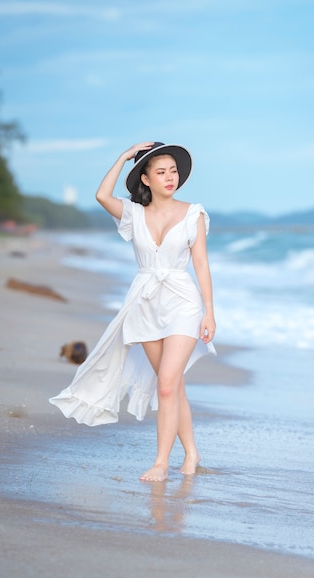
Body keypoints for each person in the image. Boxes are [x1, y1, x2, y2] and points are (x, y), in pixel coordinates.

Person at [49, 141, 216, 482]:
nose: (171, 177)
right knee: (172, 385)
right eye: (161, 172)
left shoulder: (193, 213)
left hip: (183, 301)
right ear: (146, 178)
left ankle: (160, 463)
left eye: (174, 171)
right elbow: (101, 195)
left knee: (167, 385)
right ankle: (193, 453)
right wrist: (124, 156)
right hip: (144, 302)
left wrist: (209, 313)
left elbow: (201, 264)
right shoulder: (132, 213)